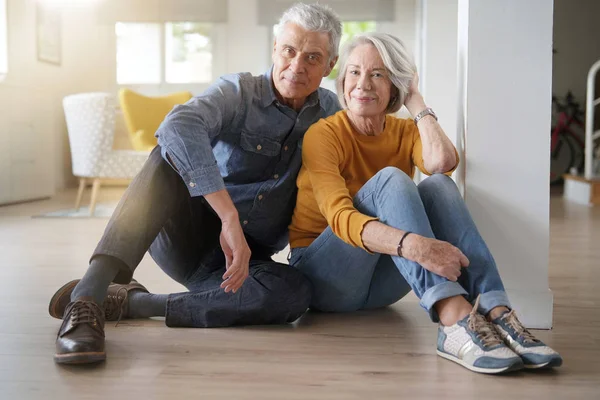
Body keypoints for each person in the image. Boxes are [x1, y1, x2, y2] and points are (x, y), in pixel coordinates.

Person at [48, 3, 342, 365]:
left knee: (294, 293)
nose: (297, 66)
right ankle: (87, 298)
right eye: (289, 50)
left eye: (312, 57)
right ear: (275, 47)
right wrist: (228, 217)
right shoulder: (238, 91)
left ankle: (133, 303)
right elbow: (178, 125)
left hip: (240, 264)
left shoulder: (332, 113)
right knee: (168, 153)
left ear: (330, 65)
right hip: (183, 237)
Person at [287, 32, 563, 374]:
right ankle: (454, 317)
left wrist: (416, 102)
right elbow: (341, 218)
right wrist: (413, 245)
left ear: (395, 86)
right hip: (324, 277)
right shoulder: (324, 134)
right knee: (391, 179)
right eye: (355, 72)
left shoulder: (403, 130)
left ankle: (498, 311)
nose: (363, 84)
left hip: (379, 289)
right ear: (343, 82)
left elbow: (442, 162)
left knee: (437, 186)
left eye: (378, 74)